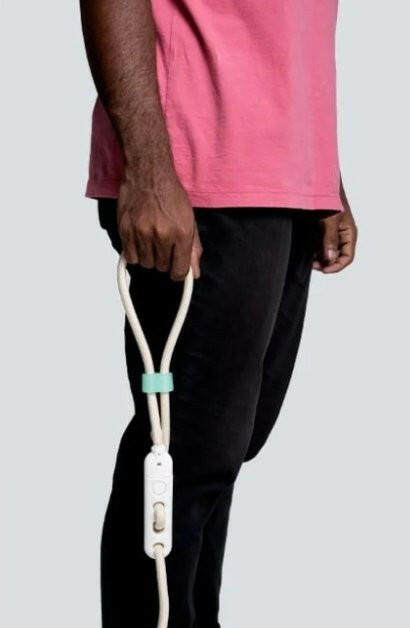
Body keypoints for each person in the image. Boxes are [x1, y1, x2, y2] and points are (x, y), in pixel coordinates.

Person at [80, 1, 358, 626]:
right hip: (197, 170)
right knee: (184, 453)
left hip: (283, 176)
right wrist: (149, 171)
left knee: (223, 449)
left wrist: (325, 178)